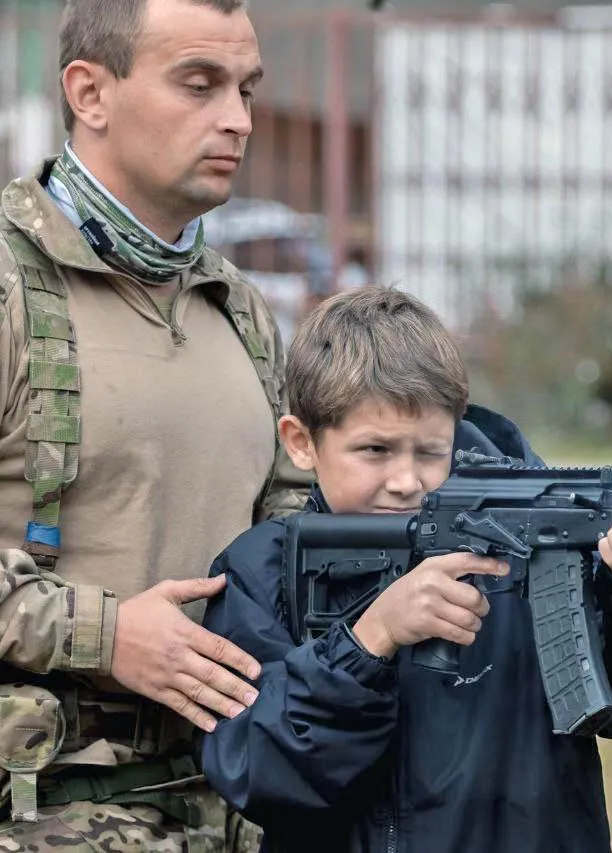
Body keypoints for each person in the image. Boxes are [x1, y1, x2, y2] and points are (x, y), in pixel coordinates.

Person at [197, 286, 612, 853]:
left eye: (430, 451)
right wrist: (368, 642)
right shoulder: (262, 571)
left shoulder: (542, 554)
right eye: (375, 451)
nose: (407, 480)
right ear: (301, 443)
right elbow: (256, 773)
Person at [0, 0, 310, 848]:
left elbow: (288, 545)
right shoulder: (9, 292)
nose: (238, 119)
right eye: (199, 85)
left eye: (246, 89)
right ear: (89, 93)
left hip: (234, 805)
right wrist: (107, 635)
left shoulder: (241, 310)